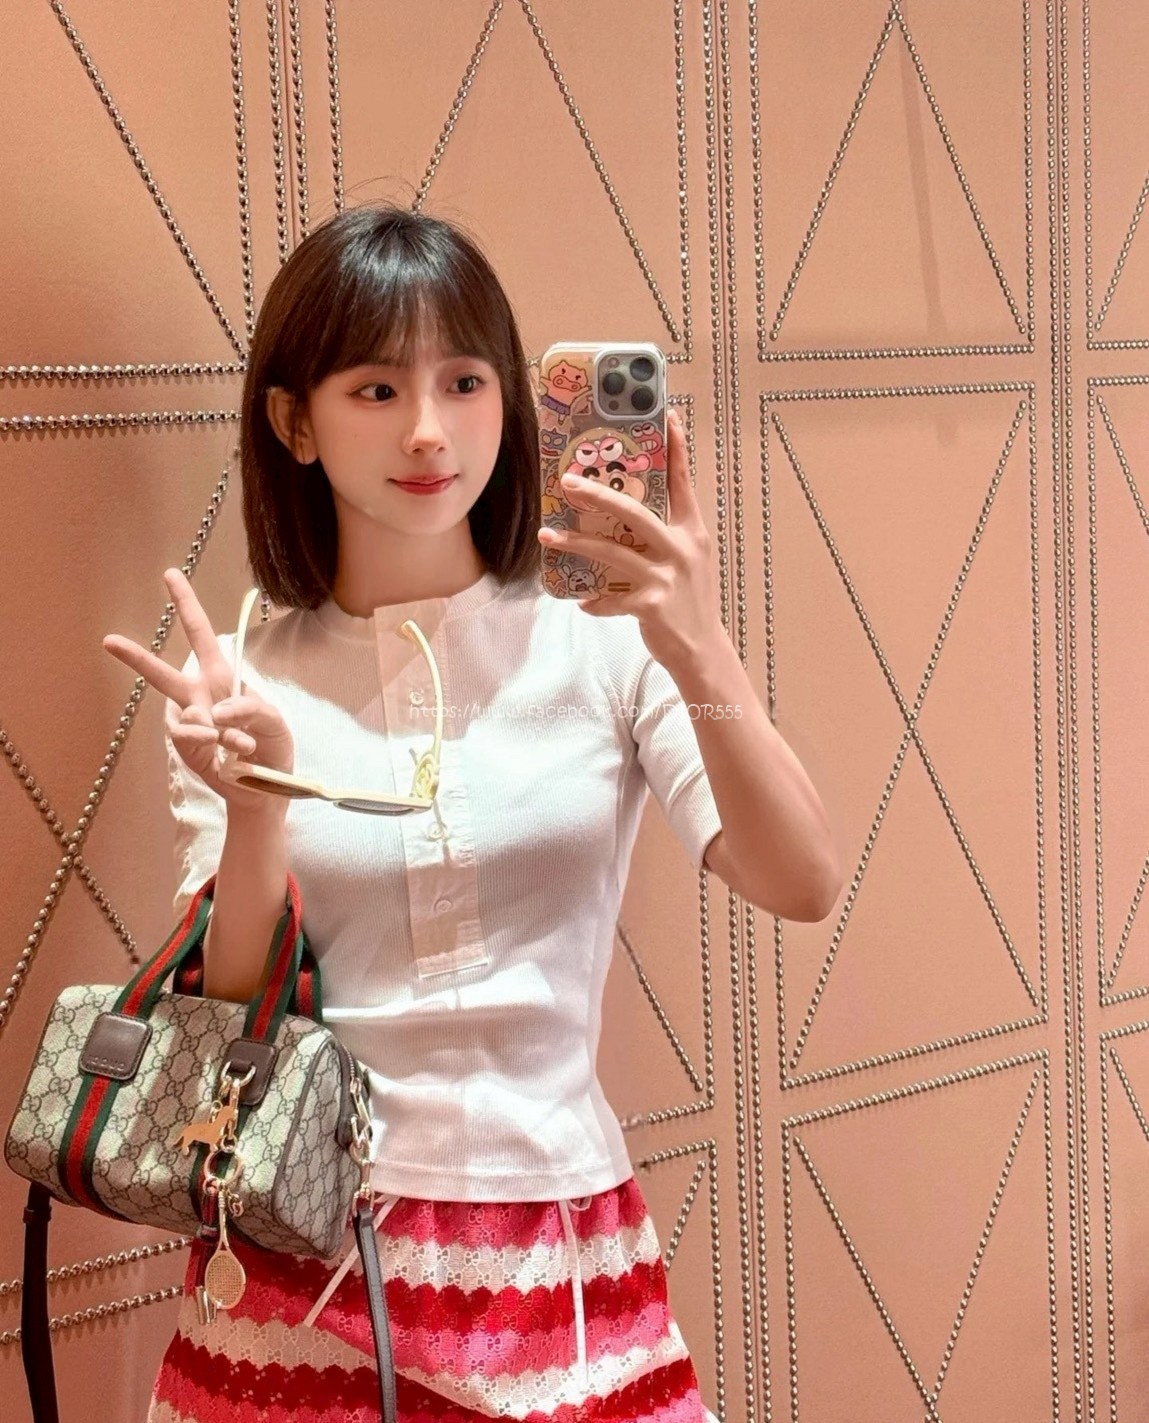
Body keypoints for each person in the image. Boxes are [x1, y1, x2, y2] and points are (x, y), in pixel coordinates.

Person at [104, 204, 841, 1423]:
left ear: (513, 400)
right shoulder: (243, 675)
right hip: (302, 1261)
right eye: (376, 389)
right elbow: (231, 1012)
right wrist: (251, 807)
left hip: (559, 1248)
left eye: (463, 381)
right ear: (294, 421)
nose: (429, 430)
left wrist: (698, 645)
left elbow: (801, 879)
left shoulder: (603, 640)